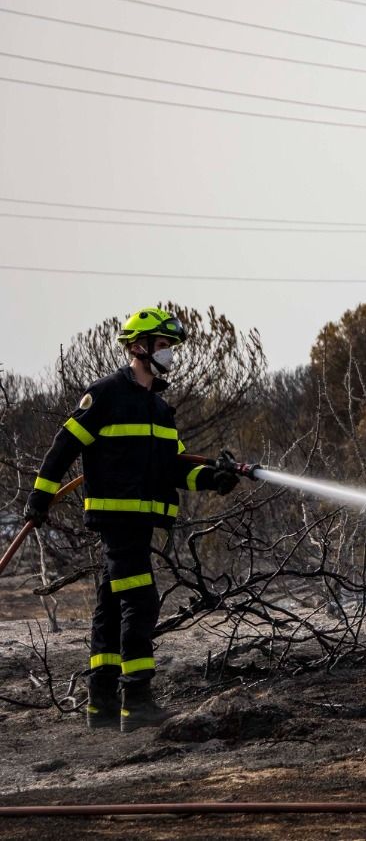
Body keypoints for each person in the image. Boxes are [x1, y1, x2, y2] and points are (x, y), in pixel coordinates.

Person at [22, 308, 247, 732]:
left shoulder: (160, 410)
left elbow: (173, 468)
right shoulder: (105, 396)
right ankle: (137, 701)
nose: (169, 356)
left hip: (141, 524)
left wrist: (213, 479)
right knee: (141, 601)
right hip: (117, 521)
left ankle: (102, 705)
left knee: (110, 606)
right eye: (163, 347)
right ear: (139, 347)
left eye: (170, 348)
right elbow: (64, 444)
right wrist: (41, 494)